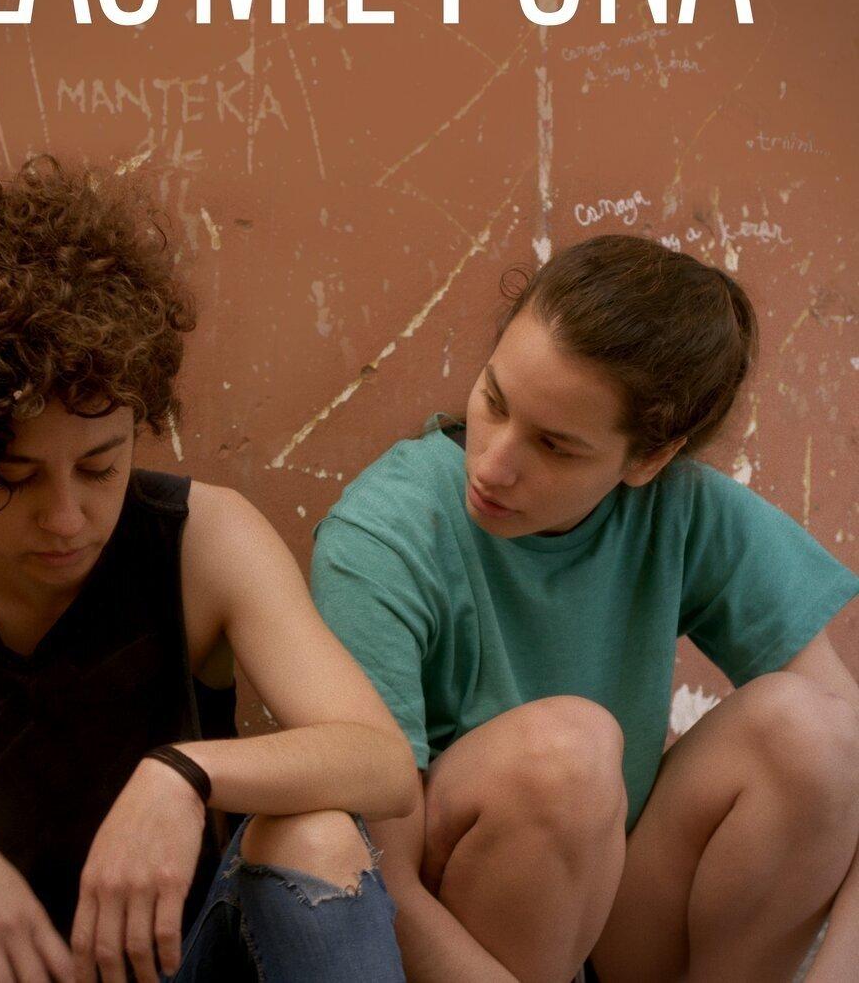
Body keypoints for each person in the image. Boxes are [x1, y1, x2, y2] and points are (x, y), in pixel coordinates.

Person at [0, 158, 416, 983]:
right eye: (14, 478)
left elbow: (383, 764)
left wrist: (183, 774)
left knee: (317, 835)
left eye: (100, 466)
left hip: (188, 964)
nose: (65, 517)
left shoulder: (202, 539)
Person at [311, 234, 859, 983]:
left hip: (617, 915)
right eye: (494, 401)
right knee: (566, 755)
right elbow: (379, 880)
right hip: (454, 938)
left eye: (555, 446)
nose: (494, 464)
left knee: (819, 736)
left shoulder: (683, 510)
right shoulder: (384, 533)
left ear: (650, 459)